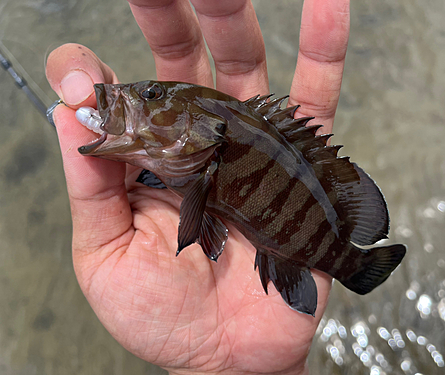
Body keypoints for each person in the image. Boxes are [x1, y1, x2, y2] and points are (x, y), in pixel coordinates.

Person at [45, 0, 350, 373]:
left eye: (152, 96)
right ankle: (353, 264)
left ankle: (354, 263)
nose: (134, 97)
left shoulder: (200, 165)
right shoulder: (182, 168)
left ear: (207, 132)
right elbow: (198, 211)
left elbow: (199, 217)